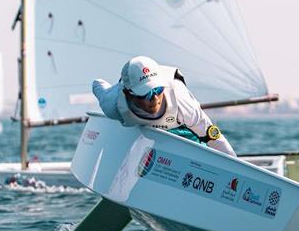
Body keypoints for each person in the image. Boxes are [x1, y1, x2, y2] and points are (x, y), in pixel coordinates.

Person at [92, 56, 235, 156]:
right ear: (129, 94)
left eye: (158, 90)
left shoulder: (180, 99)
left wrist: (236, 167)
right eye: (145, 94)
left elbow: (213, 137)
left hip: (179, 126)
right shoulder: (113, 105)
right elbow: (97, 83)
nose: (155, 98)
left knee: (200, 140)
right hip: (126, 92)